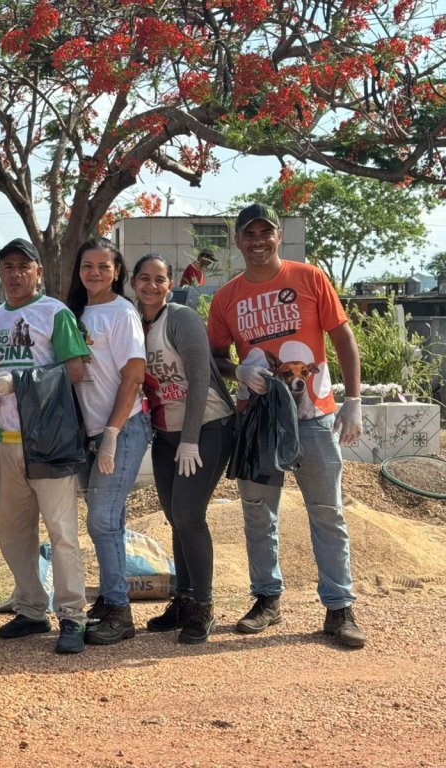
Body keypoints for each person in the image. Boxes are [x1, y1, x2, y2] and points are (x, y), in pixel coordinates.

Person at [207, 202, 366, 648]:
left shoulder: (309, 278)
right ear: (237, 240)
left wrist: (352, 400)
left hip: (312, 418)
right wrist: (237, 370)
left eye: (265, 233)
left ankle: (339, 608)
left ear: (278, 235)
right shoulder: (226, 297)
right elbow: (214, 354)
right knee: (259, 514)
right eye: (248, 234)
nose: (258, 242)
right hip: (257, 422)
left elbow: (343, 338)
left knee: (327, 513)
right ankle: (266, 599)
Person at [0, 237, 91, 655]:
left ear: (37, 272)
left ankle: (72, 616)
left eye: (22, 267)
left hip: (48, 440)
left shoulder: (55, 313)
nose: (14, 274)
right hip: (5, 441)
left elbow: (77, 371)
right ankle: (30, 608)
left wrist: (21, 383)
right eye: (7, 266)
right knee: (14, 532)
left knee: (62, 533)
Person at [132, 254, 235, 644]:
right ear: (133, 284)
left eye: (160, 279)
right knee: (175, 516)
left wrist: (190, 438)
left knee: (190, 515)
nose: (152, 286)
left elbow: (199, 378)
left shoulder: (181, 319)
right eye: (144, 278)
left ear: (170, 284)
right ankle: (183, 598)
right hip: (165, 433)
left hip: (206, 426)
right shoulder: (134, 323)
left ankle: (203, 607)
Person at [65, 238, 150, 647]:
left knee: (103, 520)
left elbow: (133, 376)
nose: (94, 272)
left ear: (117, 271)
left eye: (103, 265)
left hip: (123, 428)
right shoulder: (75, 313)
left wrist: (114, 432)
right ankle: (109, 599)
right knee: (103, 521)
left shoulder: (122, 313)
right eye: (87, 265)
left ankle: (119, 610)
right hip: (88, 433)